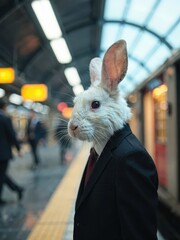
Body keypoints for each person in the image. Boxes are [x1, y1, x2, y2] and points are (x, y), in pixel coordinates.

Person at [0, 99, 24, 205]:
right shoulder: (5, 119)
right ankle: (17, 189)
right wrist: (18, 149)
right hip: (3, 153)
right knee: (2, 175)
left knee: (2, 175)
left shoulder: (6, 118)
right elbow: (12, 136)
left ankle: (16, 189)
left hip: (3, 153)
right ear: (4, 107)